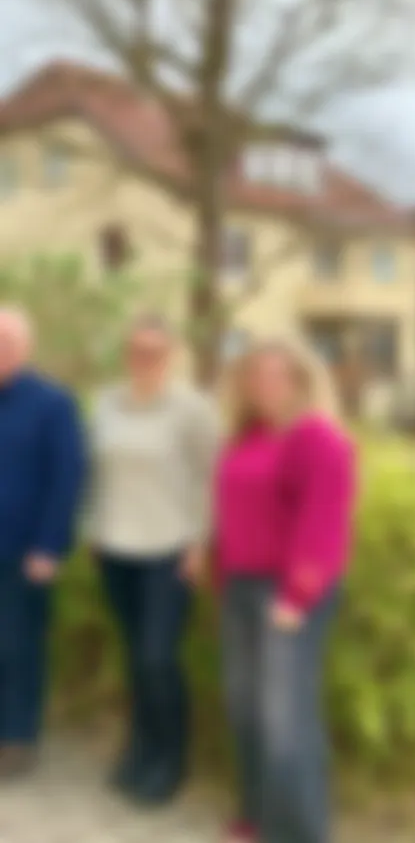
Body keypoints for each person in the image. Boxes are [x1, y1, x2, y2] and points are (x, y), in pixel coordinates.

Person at [214, 340, 356, 843]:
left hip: (292, 595)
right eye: (256, 377)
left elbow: (323, 523)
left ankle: (299, 829)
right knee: (245, 705)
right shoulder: (246, 437)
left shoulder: (317, 439)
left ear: (299, 382)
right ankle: (256, 815)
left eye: (278, 377)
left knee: (286, 718)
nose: (265, 387)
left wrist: (297, 596)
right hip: (239, 589)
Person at [87, 315, 221, 803]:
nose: (144, 359)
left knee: (157, 658)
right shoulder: (107, 405)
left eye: (154, 352)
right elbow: (97, 473)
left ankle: (170, 761)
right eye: (137, 350)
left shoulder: (191, 409)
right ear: (128, 354)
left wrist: (199, 544)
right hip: (116, 553)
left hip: (169, 554)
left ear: (170, 355)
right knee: (136, 660)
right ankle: (140, 752)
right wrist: (94, 533)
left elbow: (212, 478)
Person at [0, 306, 87, 781]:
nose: (0, 350)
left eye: (8, 341)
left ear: (26, 348)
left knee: (19, 647)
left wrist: (50, 547)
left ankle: (17, 739)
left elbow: (67, 478)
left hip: (24, 553)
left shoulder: (53, 403)